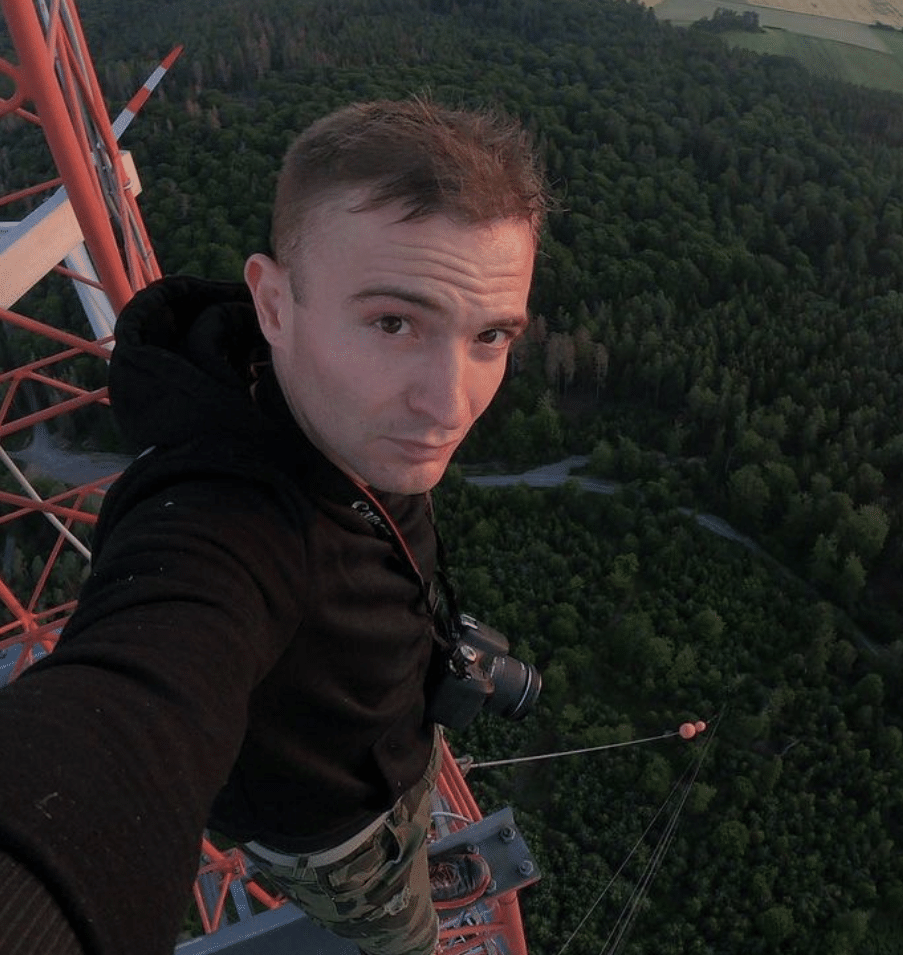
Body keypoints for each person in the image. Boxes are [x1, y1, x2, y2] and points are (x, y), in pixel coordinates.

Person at [0, 97, 550, 955]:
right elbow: (132, 703)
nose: (448, 405)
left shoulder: (343, 412)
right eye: (393, 322)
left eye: (488, 335)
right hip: (332, 840)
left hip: (386, 750)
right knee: (399, 937)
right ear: (273, 303)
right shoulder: (215, 525)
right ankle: (397, 923)